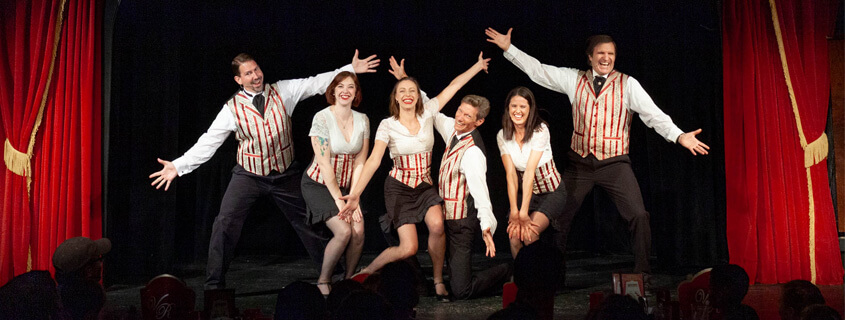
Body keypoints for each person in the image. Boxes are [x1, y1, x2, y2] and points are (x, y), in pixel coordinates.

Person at [485, 28, 710, 274]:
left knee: (638, 215)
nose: (606, 58)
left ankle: (642, 273)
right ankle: (554, 277)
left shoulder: (628, 84)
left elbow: (653, 115)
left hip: (614, 163)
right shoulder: (574, 79)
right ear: (590, 57)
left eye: (611, 53)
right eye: (600, 53)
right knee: (560, 218)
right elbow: (539, 71)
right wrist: (509, 49)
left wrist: (678, 135)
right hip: (580, 163)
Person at [149, 51, 380, 289]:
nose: (256, 76)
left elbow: (314, 83)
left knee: (309, 222)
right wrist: (178, 166)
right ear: (239, 80)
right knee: (225, 222)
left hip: (285, 172)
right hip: (249, 174)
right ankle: (214, 286)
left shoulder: (283, 91)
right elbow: (209, 142)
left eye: (256, 69)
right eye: (248, 73)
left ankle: (334, 274)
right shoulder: (231, 109)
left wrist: (348, 69)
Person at [339, 53, 490, 300]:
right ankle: (366, 272)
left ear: (418, 96)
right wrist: (355, 194)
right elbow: (374, 160)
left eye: (413, 90)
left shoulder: (428, 113)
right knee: (409, 247)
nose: (408, 94)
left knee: (438, 225)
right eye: (403, 90)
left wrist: (477, 66)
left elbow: (454, 85)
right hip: (398, 187)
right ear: (396, 97)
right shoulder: (387, 125)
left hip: (425, 186)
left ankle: (439, 280)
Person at [302, 71, 369, 295]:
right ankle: (324, 280)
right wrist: (341, 203)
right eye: (340, 87)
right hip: (320, 183)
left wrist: (354, 196)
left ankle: (348, 280)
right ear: (333, 90)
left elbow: (361, 161)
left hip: (347, 188)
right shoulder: (322, 118)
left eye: (350, 87)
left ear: (356, 93)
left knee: (358, 230)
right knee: (343, 231)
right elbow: (324, 164)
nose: (345, 91)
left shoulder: (363, 120)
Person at [496, 86, 566, 258]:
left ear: (530, 109)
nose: (517, 111)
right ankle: (521, 278)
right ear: (508, 108)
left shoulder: (540, 131)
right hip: (526, 193)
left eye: (523, 107)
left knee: (529, 235)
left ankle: (537, 279)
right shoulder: (502, 135)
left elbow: (529, 172)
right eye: (514, 106)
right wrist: (514, 211)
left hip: (551, 192)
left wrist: (523, 212)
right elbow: (511, 175)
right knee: (514, 237)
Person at [52, 236, 112, 320]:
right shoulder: (95, 298)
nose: (101, 263)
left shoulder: (56, 300)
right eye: (99, 259)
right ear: (89, 270)